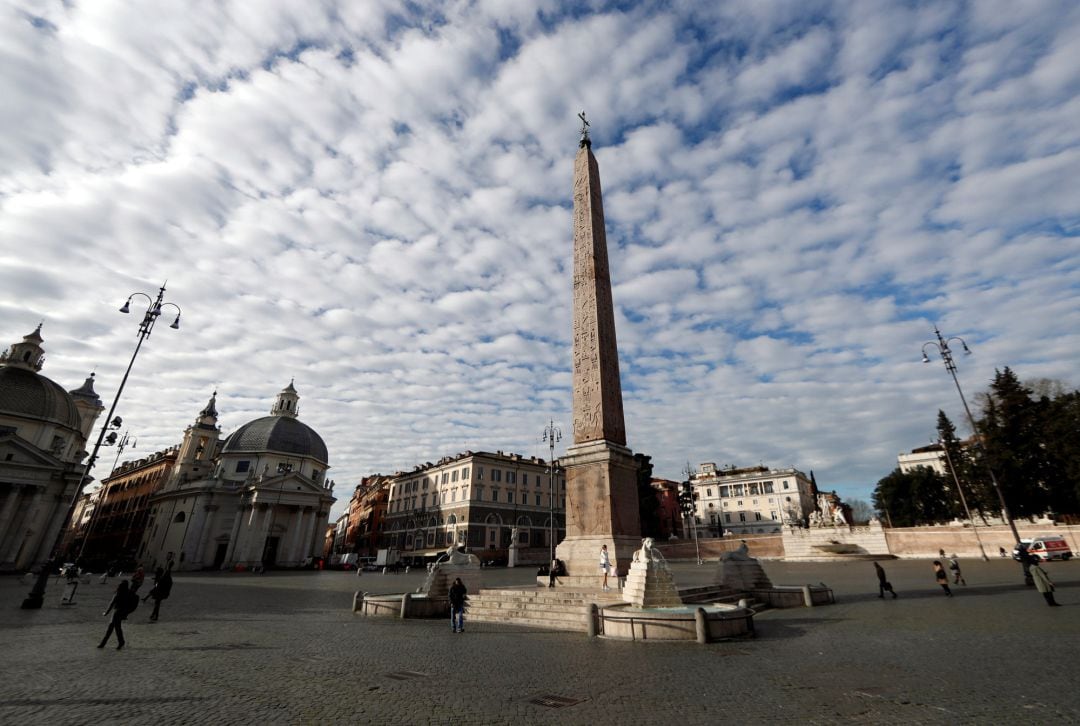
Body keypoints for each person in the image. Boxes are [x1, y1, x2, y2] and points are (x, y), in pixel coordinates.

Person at [99, 580, 138, 649]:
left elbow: (112, 603)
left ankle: (104, 643)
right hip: (123, 612)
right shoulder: (130, 593)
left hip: (117, 612)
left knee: (111, 628)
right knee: (117, 627)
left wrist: (106, 613)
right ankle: (119, 642)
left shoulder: (119, 593)